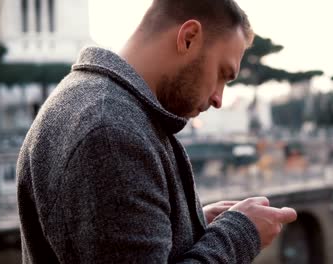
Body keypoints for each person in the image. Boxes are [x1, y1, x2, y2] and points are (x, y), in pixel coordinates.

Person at [16, 0, 297, 263]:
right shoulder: (111, 133)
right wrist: (237, 235)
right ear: (188, 38)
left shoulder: (94, 102)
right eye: (223, 74)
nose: (218, 99)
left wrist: (188, 224)